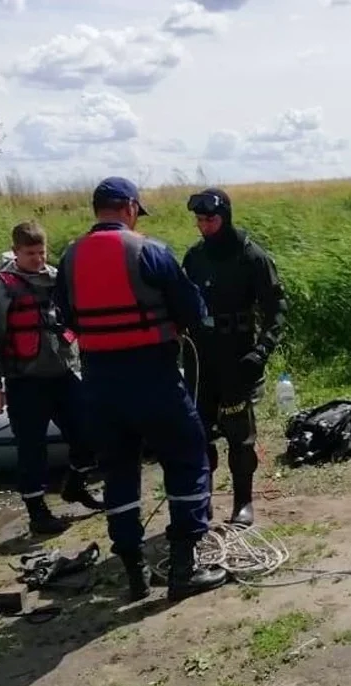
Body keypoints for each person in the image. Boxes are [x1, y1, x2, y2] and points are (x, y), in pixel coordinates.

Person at [53, 176, 227, 602]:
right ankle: (183, 569)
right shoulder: (150, 250)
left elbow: (66, 319)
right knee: (187, 458)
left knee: (118, 473)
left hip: (99, 382)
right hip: (153, 375)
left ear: (98, 210)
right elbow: (192, 309)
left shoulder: (69, 258)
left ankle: (134, 573)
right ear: (130, 207)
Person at [0, 221, 103, 537]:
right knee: (32, 450)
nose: (38, 259)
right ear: (16, 251)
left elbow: (78, 322)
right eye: (30, 253)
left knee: (89, 433)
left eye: (41, 251)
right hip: (24, 381)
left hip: (63, 374)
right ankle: (38, 514)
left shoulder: (59, 280)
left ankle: (75, 485)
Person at [181, 188, 288, 528]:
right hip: (200, 357)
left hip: (237, 355)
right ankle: (204, 499)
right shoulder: (194, 256)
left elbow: (276, 310)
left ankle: (243, 502)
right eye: (199, 220)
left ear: (225, 217)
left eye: (210, 219)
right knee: (198, 434)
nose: (204, 226)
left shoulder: (251, 256)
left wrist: (262, 350)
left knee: (240, 436)